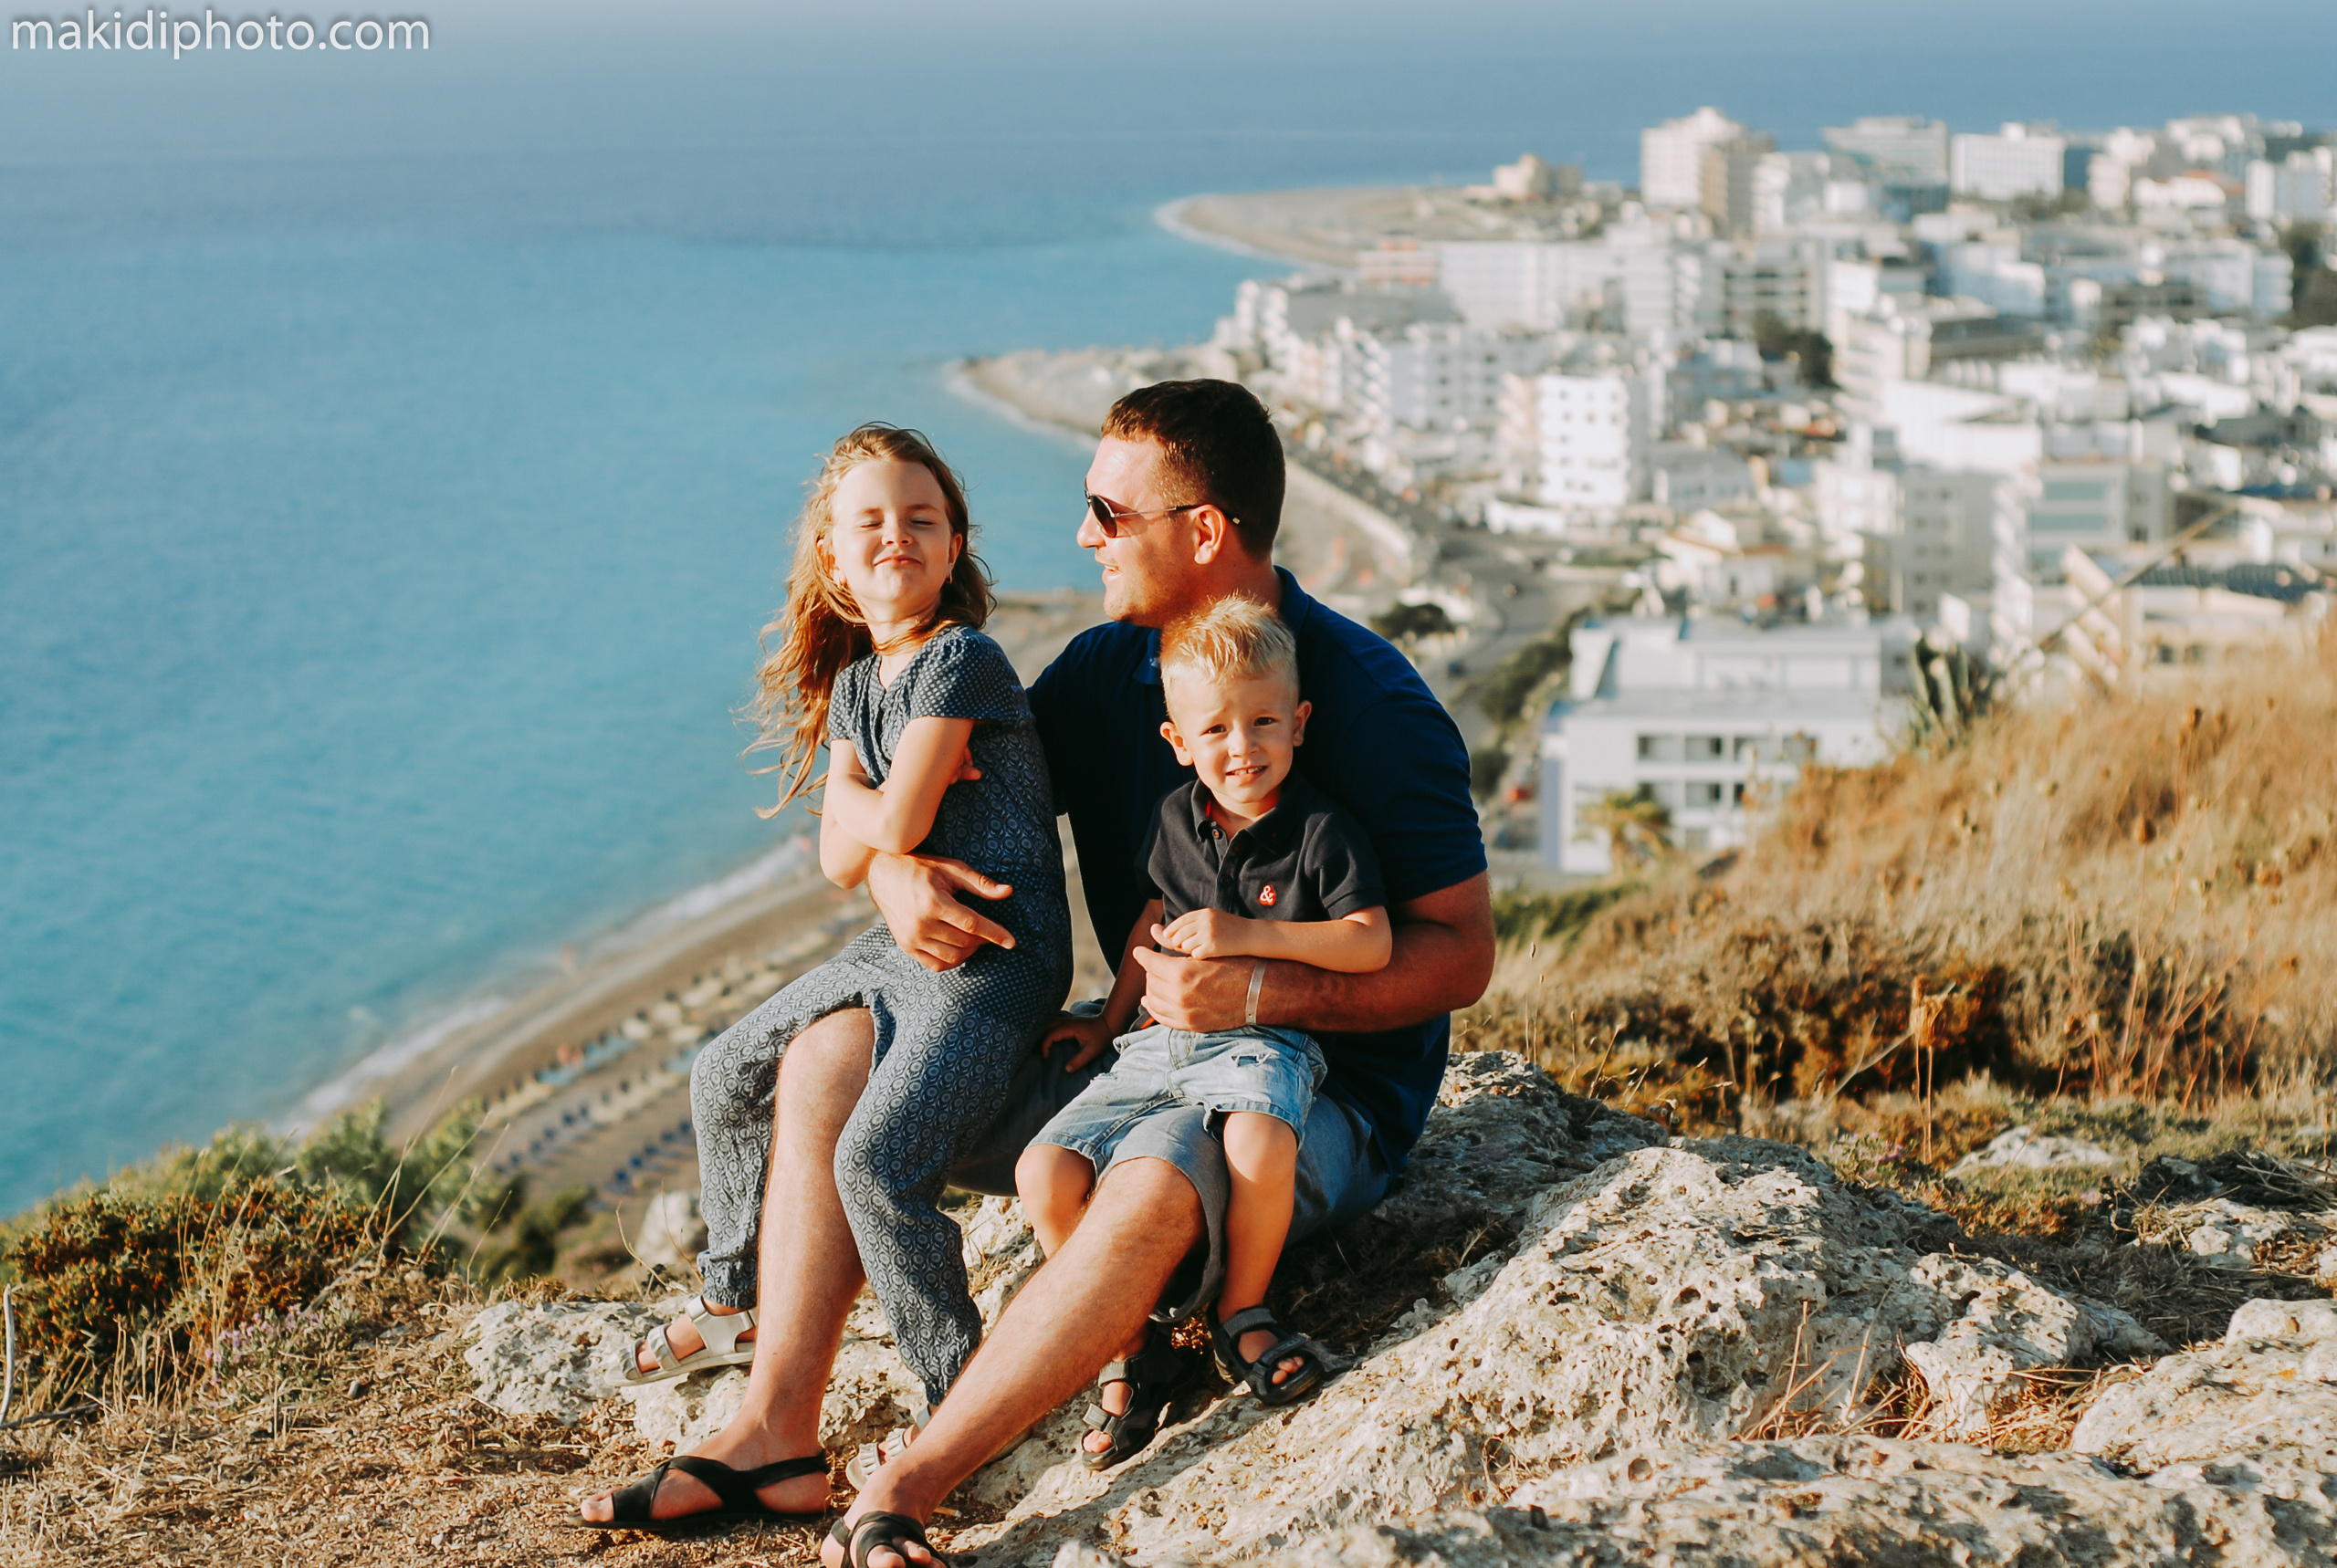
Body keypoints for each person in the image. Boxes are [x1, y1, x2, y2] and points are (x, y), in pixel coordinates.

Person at [576, 382, 1489, 1568]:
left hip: (1310, 1096)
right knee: (829, 1050)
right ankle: (773, 1433)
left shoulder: (1367, 704)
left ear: (1202, 532)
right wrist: (896, 879)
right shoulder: (1112, 674)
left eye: (1108, 513)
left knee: (1161, 1176)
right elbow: (971, 796)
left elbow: (1460, 956)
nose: (1082, 536)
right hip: (1138, 1044)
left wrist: (1265, 995)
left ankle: (910, 1481)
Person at [579, 423, 1074, 1531]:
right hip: (896, 946)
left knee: (876, 1157)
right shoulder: (860, 685)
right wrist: (863, 825)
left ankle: (959, 1395)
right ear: (832, 560)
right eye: (870, 523)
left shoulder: (962, 660)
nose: (896, 536)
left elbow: (876, 824)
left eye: (920, 519)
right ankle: (733, 1300)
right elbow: (840, 859)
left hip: (991, 954)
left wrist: (859, 819)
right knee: (723, 1068)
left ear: (954, 548)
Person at [1019, 595, 1389, 1427]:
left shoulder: (1322, 831)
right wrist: (1108, 1022)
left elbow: (1369, 942)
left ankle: (1241, 1313)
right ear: (1177, 743)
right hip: (1161, 1040)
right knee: (1044, 1173)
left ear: (1299, 723)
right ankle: (1126, 1344)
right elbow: (1151, 923)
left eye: (1262, 722)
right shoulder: (1174, 819)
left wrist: (1249, 936)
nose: (1242, 747)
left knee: (1259, 1137)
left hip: (1267, 1040)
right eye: (1215, 730)